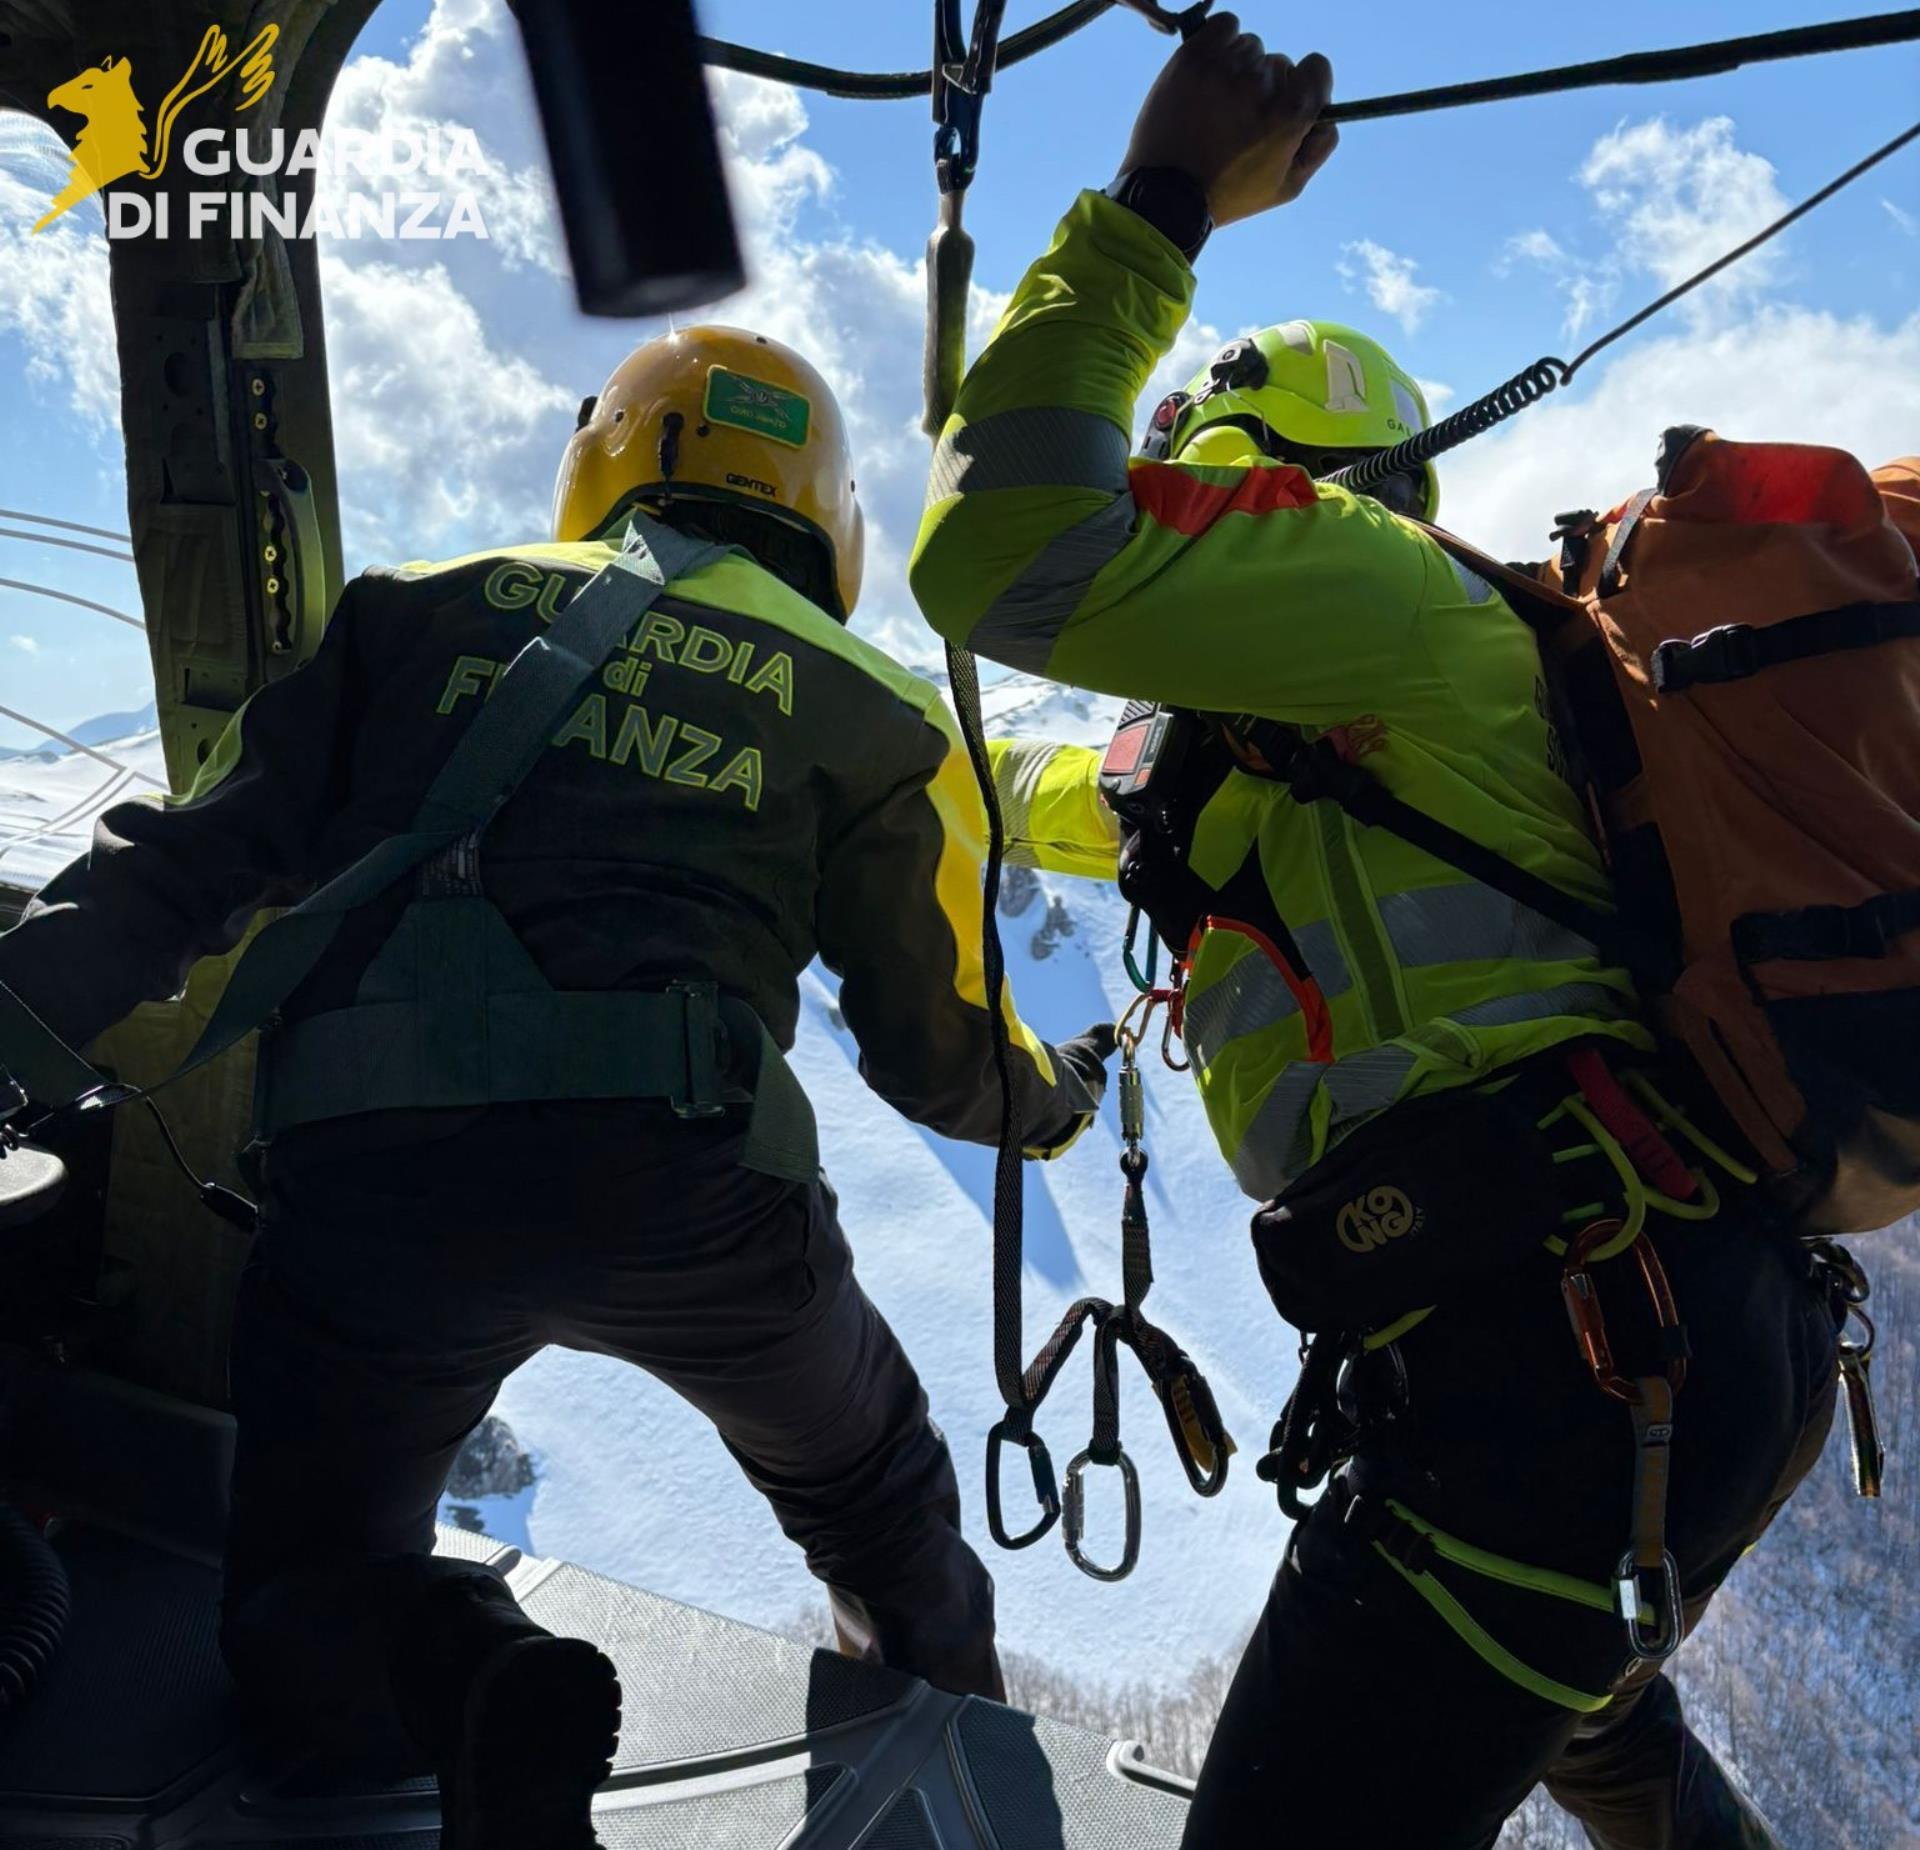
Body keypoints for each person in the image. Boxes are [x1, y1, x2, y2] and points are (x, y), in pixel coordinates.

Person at [911, 20, 1841, 1848]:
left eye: (1192, 482)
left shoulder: (1378, 598)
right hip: (1645, 1333)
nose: (1169, 524)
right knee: (1584, 1713)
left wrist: (1159, 203)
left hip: (1555, 1366)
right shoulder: (1282, 732)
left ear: (1271, 481)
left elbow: (1005, 545)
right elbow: (1045, 785)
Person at [0, 326, 1110, 1850]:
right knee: (876, 1498)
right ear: (829, 512)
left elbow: (178, 872)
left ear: (609, 457)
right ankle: (951, 1780)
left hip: (372, 1196)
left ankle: (465, 1666)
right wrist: (1056, 1100)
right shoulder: (878, 706)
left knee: (303, 1588)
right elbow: (939, 1054)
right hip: (701, 1206)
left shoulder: (409, 610)